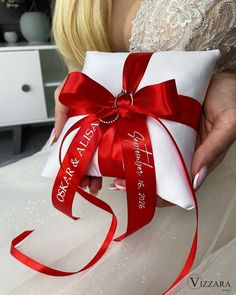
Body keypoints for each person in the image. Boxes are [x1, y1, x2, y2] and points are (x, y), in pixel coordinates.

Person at [0, 0, 235, 294]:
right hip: (100, 143)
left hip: (214, 162)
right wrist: (81, 87)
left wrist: (229, 81)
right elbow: (88, 64)